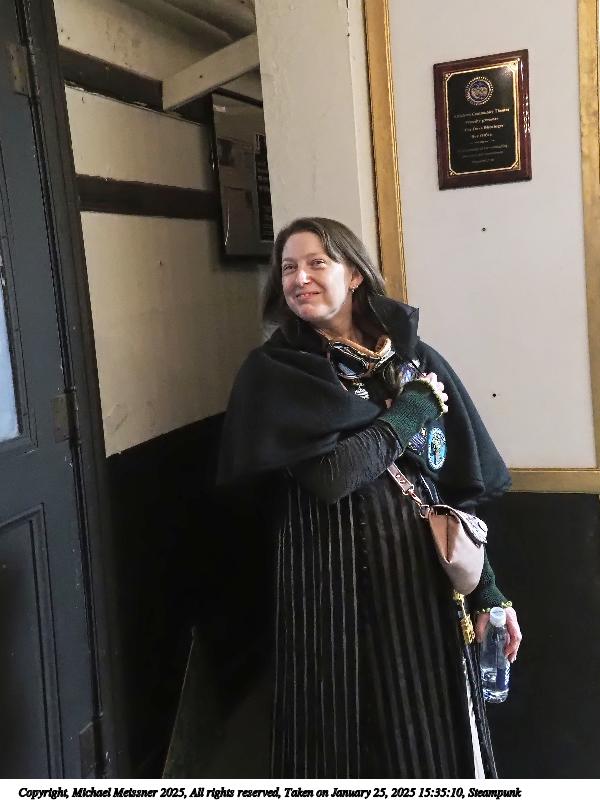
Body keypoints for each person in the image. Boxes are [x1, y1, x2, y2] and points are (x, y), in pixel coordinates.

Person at [217, 217, 522, 779]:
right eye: (288, 268)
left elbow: (455, 485)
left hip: (421, 587)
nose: (299, 278)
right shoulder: (277, 372)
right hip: (327, 591)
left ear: (354, 274)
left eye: (317, 263)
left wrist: (487, 592)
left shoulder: (411, 358)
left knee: (430, 738)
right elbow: (332, 476)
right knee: (337, 744)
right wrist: (408, 414)